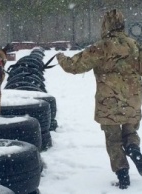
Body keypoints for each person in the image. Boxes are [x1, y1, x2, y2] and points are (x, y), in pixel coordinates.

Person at [56, 9, 142, 189]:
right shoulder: (135, 45)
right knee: (130, 131)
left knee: (113, 139)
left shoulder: (102, 46)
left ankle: (123, 176)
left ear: (106, 25)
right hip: (133, 100)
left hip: (109, 102)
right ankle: (134, 150)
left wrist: (61, 57)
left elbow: (75, 66)